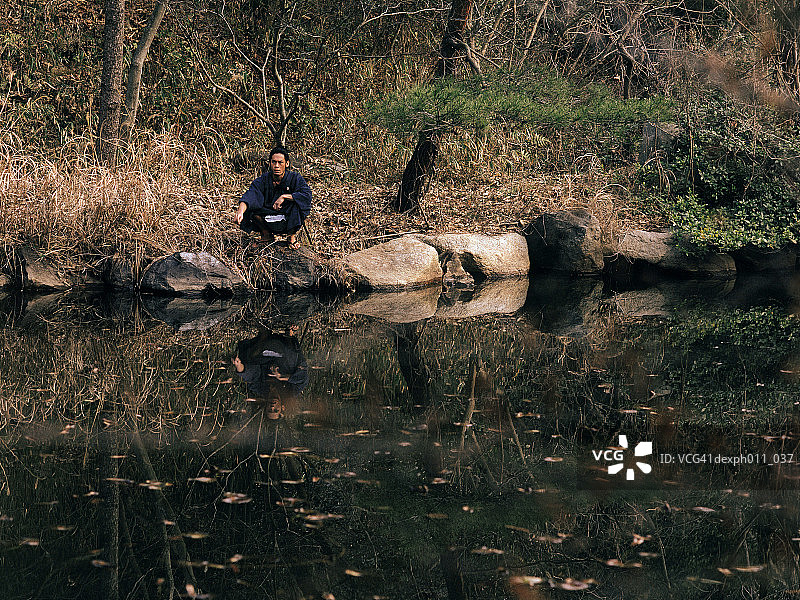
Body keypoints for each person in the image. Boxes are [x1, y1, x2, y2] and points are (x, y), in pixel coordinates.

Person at [234, 147, 312, 249]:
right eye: (274, 162)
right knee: (250, 209)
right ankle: (266, 235)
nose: (276, 166)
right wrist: (240, 211)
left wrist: (285, 197)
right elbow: (251, 195)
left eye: (280, 163)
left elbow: (306, 195)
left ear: (287, 164)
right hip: (267, 216)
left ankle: (291, 237)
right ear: (270, 163)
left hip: (288, 218)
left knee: (298, 205)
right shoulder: (263, 180)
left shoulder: (295, 178)